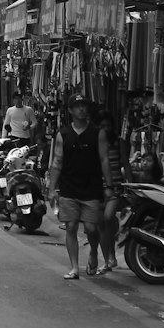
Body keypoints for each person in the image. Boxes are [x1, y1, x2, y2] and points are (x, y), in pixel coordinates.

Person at [47, 95, 106, 279]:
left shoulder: (97, 133)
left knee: (91, 228)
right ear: (71, 110)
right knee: (71, 226)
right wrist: (51, 189)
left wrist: (110, 185)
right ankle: (74, 267)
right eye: (77, 106)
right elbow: (57, 162)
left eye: (83, 106)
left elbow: (104, 160)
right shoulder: (63, 135)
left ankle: (94, 251)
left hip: (91, 187)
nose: (81, 109)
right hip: (69, 187)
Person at [97, 109, 128, 272]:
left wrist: (131, 184)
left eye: (108, 125)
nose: (105, 129)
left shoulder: (118, 142)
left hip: (115, 187)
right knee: (102, 224)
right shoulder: (95, 143)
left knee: (108, 218)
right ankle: (109, 258)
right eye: (102, 126)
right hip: (98, 188)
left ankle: (111, 256)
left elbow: (126, 164)